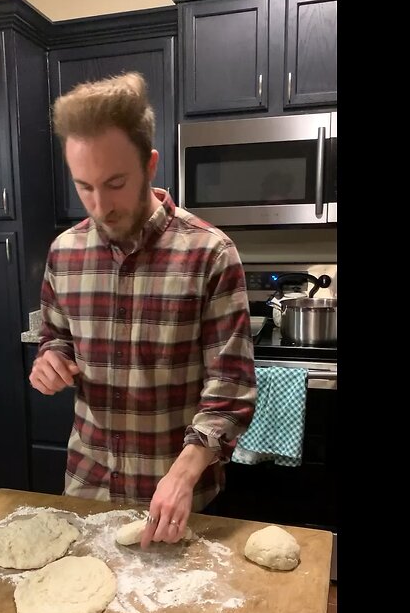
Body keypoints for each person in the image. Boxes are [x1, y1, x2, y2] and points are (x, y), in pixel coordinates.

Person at [29, 72, 257, 548]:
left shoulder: (209, 253)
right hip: (85, 487)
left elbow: (231, 389)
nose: (100, 206)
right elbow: (55, 335)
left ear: (149, 164)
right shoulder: (63, 252)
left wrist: (184, 473)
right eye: (84, 187)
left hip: (175, 498)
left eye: (115, 183)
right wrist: (51, 359)